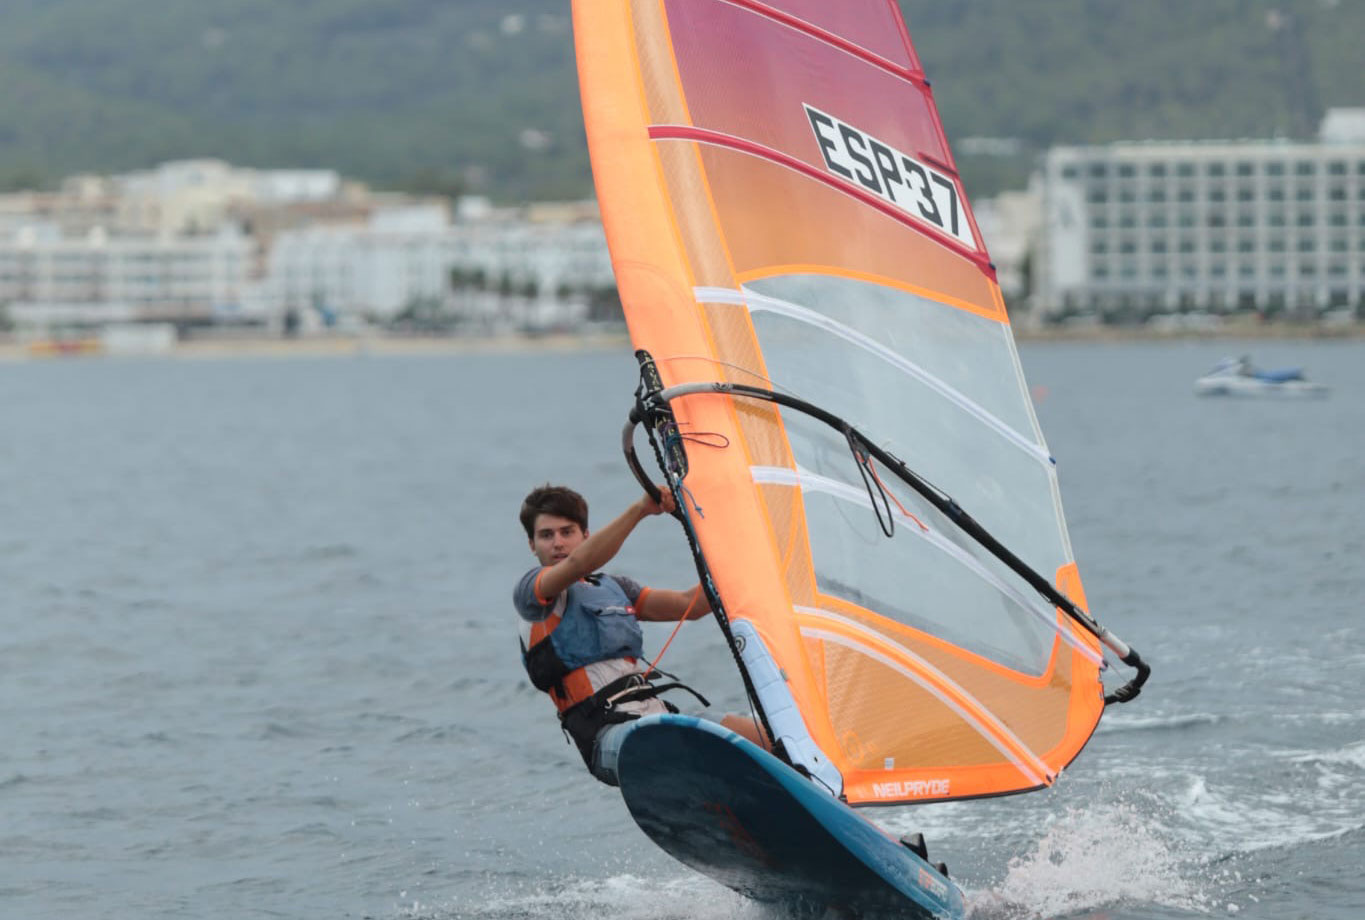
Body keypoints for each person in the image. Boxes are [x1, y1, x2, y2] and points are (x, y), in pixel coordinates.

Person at [514, 483, 766, 786]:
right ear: (532, 545)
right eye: (546, 535)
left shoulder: (615, 589)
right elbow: (580, 562)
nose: (557, 543)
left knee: (765, 736)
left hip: (658, 719)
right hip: (609, 740)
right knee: (667, 740)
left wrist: (748, 554)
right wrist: (641, 510)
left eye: (567, 532)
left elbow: (692, 605)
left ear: (585, 535)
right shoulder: (532, 594)